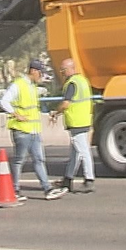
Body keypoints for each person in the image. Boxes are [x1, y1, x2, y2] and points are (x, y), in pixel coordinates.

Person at [0, 58, 52, 201]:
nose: (41, 76)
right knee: (19, 160)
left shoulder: (32, 86)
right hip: (21, 130)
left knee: (39, 159)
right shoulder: (19, 84)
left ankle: (47, 188)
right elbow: (3, 101)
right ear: (33, 71)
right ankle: (15, 190)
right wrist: (16, 114)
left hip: (34, 130)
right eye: (40, 73)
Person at [49, 57, 95, 196]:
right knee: (75, 153)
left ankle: (89, 179)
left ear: (70, 69)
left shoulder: (71, 83)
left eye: (63, 70)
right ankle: (68, 179)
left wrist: (55, 113)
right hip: (84, 120)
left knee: (83, 151)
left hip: (76, 122)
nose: (62, 73)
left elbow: (66, 104)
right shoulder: (83, 81)